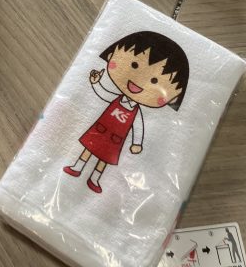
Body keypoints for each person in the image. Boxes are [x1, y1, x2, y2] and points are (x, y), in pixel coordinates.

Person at [63, 30, 190, 194]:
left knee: (104, 158)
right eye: (134, 65)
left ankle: (95, 178)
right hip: (100, 130)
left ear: (173, 98)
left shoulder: (136, 112)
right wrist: (96, 83)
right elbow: (104, 94)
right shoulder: (117, 98)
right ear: (111, 56)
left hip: (115, 139)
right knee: (90, 147)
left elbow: (138, 127)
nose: (138, 81)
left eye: (154, 81)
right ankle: (78, 166)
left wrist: (136, 143)